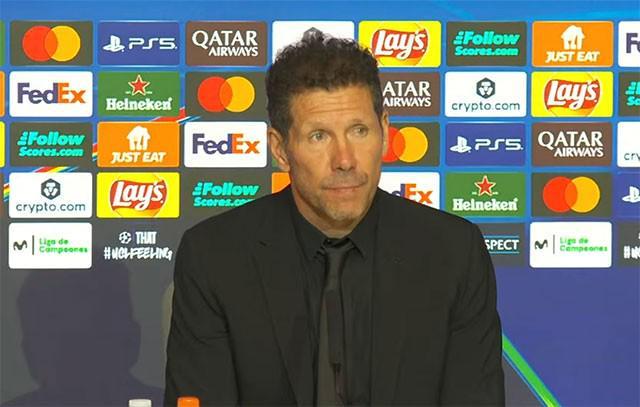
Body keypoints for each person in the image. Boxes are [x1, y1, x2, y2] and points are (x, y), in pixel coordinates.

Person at [164, 31, 504, 406]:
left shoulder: (453, 252)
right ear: (280, 149)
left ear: (385, 131)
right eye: (319, 136)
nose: (344, 160)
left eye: (359, 131)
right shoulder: (214, 256)